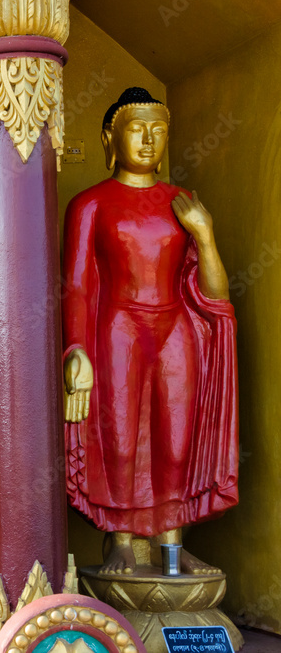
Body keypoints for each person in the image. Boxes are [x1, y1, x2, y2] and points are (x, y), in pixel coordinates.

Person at [62, 88, 238, 575]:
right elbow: (76, 286)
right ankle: (119, 539)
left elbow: (216, 296)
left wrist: (204, 233)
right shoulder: (90, 204)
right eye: (136, 129)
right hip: (118, 327)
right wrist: (75, 350)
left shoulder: (183, 203)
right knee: (119, 436)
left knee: (175, 439)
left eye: (158, 131)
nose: (147, 139)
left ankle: (172, 546)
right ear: (109, 139)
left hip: (176, 326)